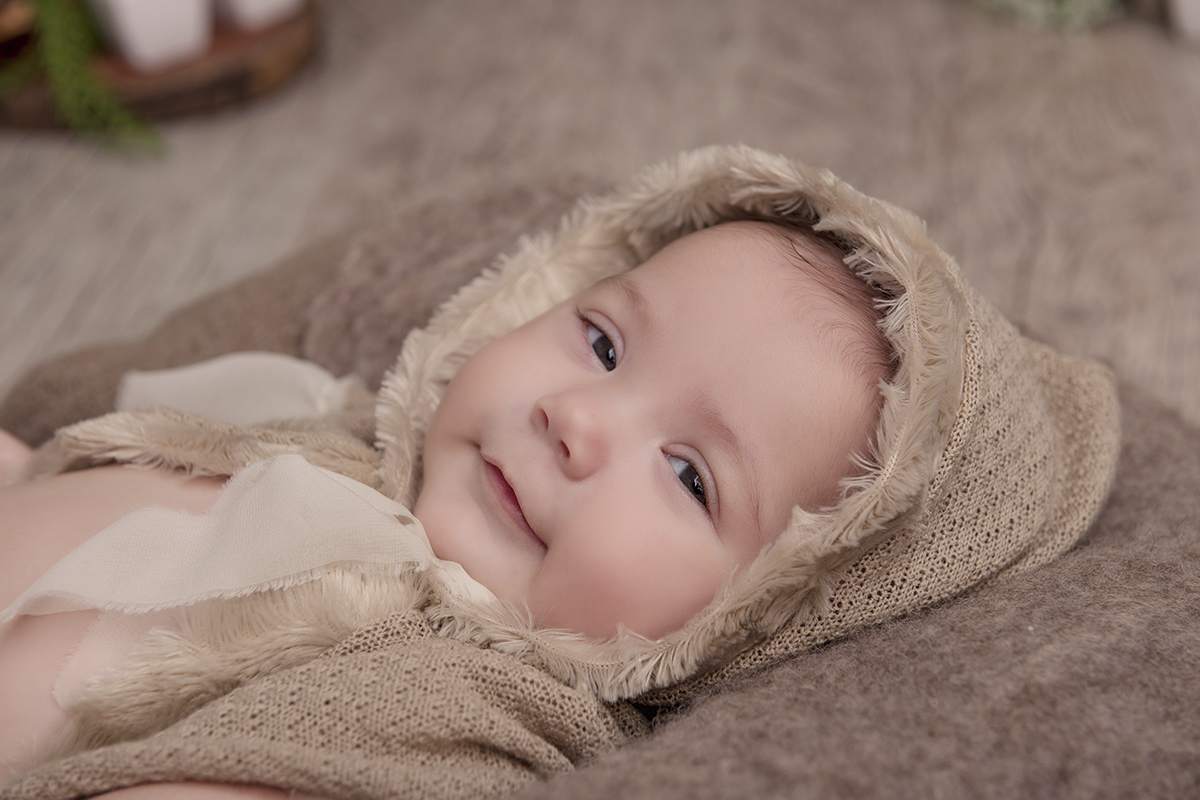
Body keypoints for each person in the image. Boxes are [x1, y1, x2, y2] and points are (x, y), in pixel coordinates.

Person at [0, 145, 1121, 800]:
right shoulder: (345, 428)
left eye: (690, 476)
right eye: (602, 343)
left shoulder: (471, 691)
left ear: (768, 612)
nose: (576, 420)